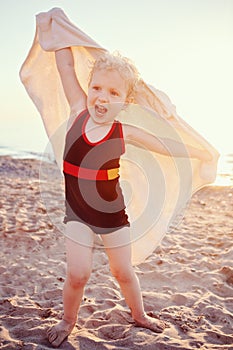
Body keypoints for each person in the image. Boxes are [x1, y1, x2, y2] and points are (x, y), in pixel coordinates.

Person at [47, 48, 212, 347]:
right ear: (88, 87)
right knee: (77, 273)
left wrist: (199, 152)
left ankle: (139, 315)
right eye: (96, 87)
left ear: (125, 101)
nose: (102, 97)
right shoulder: (76, 110)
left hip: (112, 215)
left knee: (122, 271)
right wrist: (58, 33)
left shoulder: (124, 131)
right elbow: (65, 66)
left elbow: (164, 145)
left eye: (113, 92)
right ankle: (68, 320)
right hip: (77, 213)